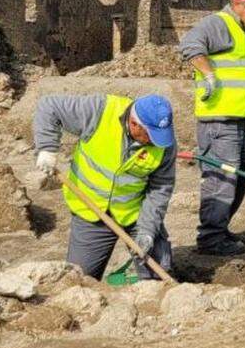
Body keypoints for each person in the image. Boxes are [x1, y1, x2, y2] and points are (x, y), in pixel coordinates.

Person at [33, 93, 176, 280]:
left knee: (159, 274)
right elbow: (48, 105)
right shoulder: (100, 111)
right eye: (151, 136)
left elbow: (161, 187)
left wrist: (148, 231)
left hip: (136, 213)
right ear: (134, 124)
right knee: (81, 280)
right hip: (91, 211)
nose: (155, 142)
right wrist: (46, 148)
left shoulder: (163, 142)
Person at [178, 0, 245, 256]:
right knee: (222, 179)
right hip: (219, 122)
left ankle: (220, 230)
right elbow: (190, 45)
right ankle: (210, 239)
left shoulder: (239, 29)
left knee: (239, 179)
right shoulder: (218, 24)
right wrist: (208, 76)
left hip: (238, 119)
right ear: (239, 3)